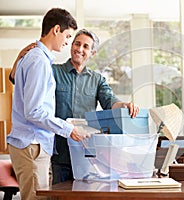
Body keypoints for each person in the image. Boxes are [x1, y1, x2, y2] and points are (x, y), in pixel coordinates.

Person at [9, 29, 140, 185]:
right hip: (58, 154)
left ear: (92, 53)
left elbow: (110, 101)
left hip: (86, 155)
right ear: (71, 46)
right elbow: (22, 84)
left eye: (86, 46)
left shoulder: (97, 80)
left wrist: (123, 105)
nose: (80, 49)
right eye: (77, 44)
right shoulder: (52, 71)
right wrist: (19, 59)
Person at [6, 8, 87, 200]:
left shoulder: (34, 57)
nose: (67, 42)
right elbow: (34, 111)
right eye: (67, 35)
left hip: (32, 144)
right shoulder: (39, 60)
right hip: (32, 144)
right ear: (56, 29)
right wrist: (68, 129)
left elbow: (17, 82)